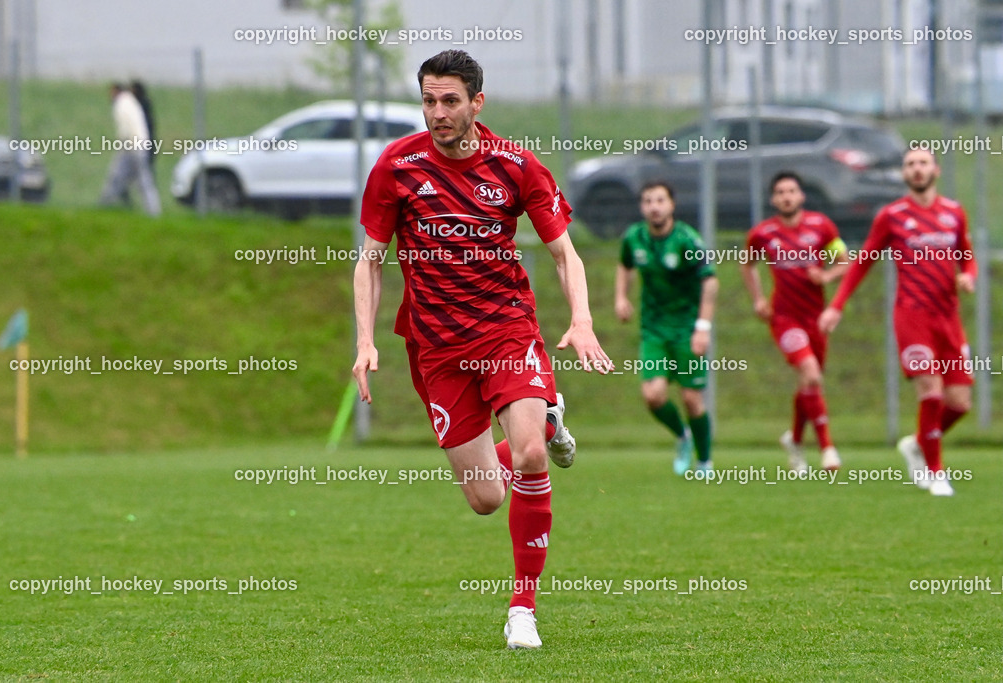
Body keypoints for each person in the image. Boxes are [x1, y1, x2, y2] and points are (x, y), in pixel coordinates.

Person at [352, 50, 612, 650]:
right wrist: (365, 339)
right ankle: (548, 421)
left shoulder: (517, 166)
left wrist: (583, 319)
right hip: (436, 348)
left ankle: (523, 609)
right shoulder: (397, 166)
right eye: (427, 100)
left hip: (505, 331)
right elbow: (369, 261)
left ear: (477, 103)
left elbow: (563, 253)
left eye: (449, 100)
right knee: (486, 498)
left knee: (525, 461)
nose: (437, 113)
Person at [819, 148, 977, 497]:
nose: (917, 170)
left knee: (960, 403)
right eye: (909, 165)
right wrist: (837, 305)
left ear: (935, 169)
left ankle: (917, 444)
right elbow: (862, 262)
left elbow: (966, 256)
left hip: (948, 319)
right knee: (931, 392)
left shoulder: (953, 213)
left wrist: (968, 276)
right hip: (912, 317)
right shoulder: (891, 216)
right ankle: (936, 473)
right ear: (903, 174)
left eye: (922, 163)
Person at [741, 171, 848, 472]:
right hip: (784, 318)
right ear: (773, 199)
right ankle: (827, 448)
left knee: (808, 383)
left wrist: (826, 275)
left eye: (791, 191)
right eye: (780, 192)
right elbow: (747, 264)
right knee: (812, 375)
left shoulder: (820, 227)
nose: (786, 197)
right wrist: (759, 299)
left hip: (816, 317)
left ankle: (796, 442)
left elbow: (843, 261)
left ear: (801, 196)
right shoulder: (764, 233)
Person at [614, 181, 718, 477]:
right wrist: (621, 297)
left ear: (672, 205)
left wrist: (702, 327)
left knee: (691, 398)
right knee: (653, 396)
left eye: (660, 200)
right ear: (641, 207)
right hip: (654, 330)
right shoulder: (634, 237)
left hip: (686, 328)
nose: (654, 206)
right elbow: (624, 265)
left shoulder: (687, 240)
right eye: (648, 201)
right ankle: (682, 436)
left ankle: (705, 461)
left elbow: (709, 281)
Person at [98, 83, 160, 216]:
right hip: (140, 145)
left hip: (133, 147)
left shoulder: (121, 103)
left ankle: (104, 204)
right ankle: (152, 210)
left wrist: (121, 146)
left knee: (123, 178)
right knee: (132, 179)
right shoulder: (130, 101)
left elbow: (125, 129)